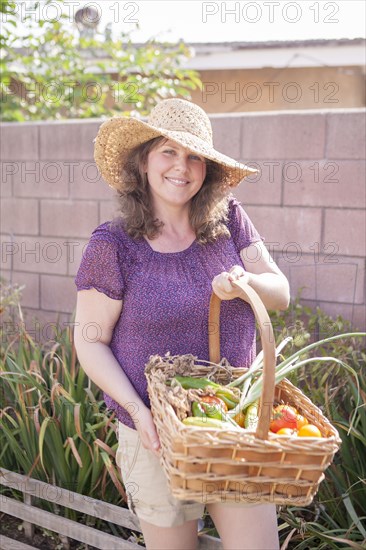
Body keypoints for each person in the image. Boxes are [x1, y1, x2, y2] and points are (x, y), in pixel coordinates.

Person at [74, 98, 290, 550]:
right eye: (169, 151)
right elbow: (90, 341)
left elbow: (280, 291)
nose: (182, 166)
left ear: (207, 169)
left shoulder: (229, 219)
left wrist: (245, 281)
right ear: (144, 161)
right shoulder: (112, 244)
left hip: (232, 425)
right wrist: (137, 411)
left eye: (194, 156)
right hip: (154, 434)